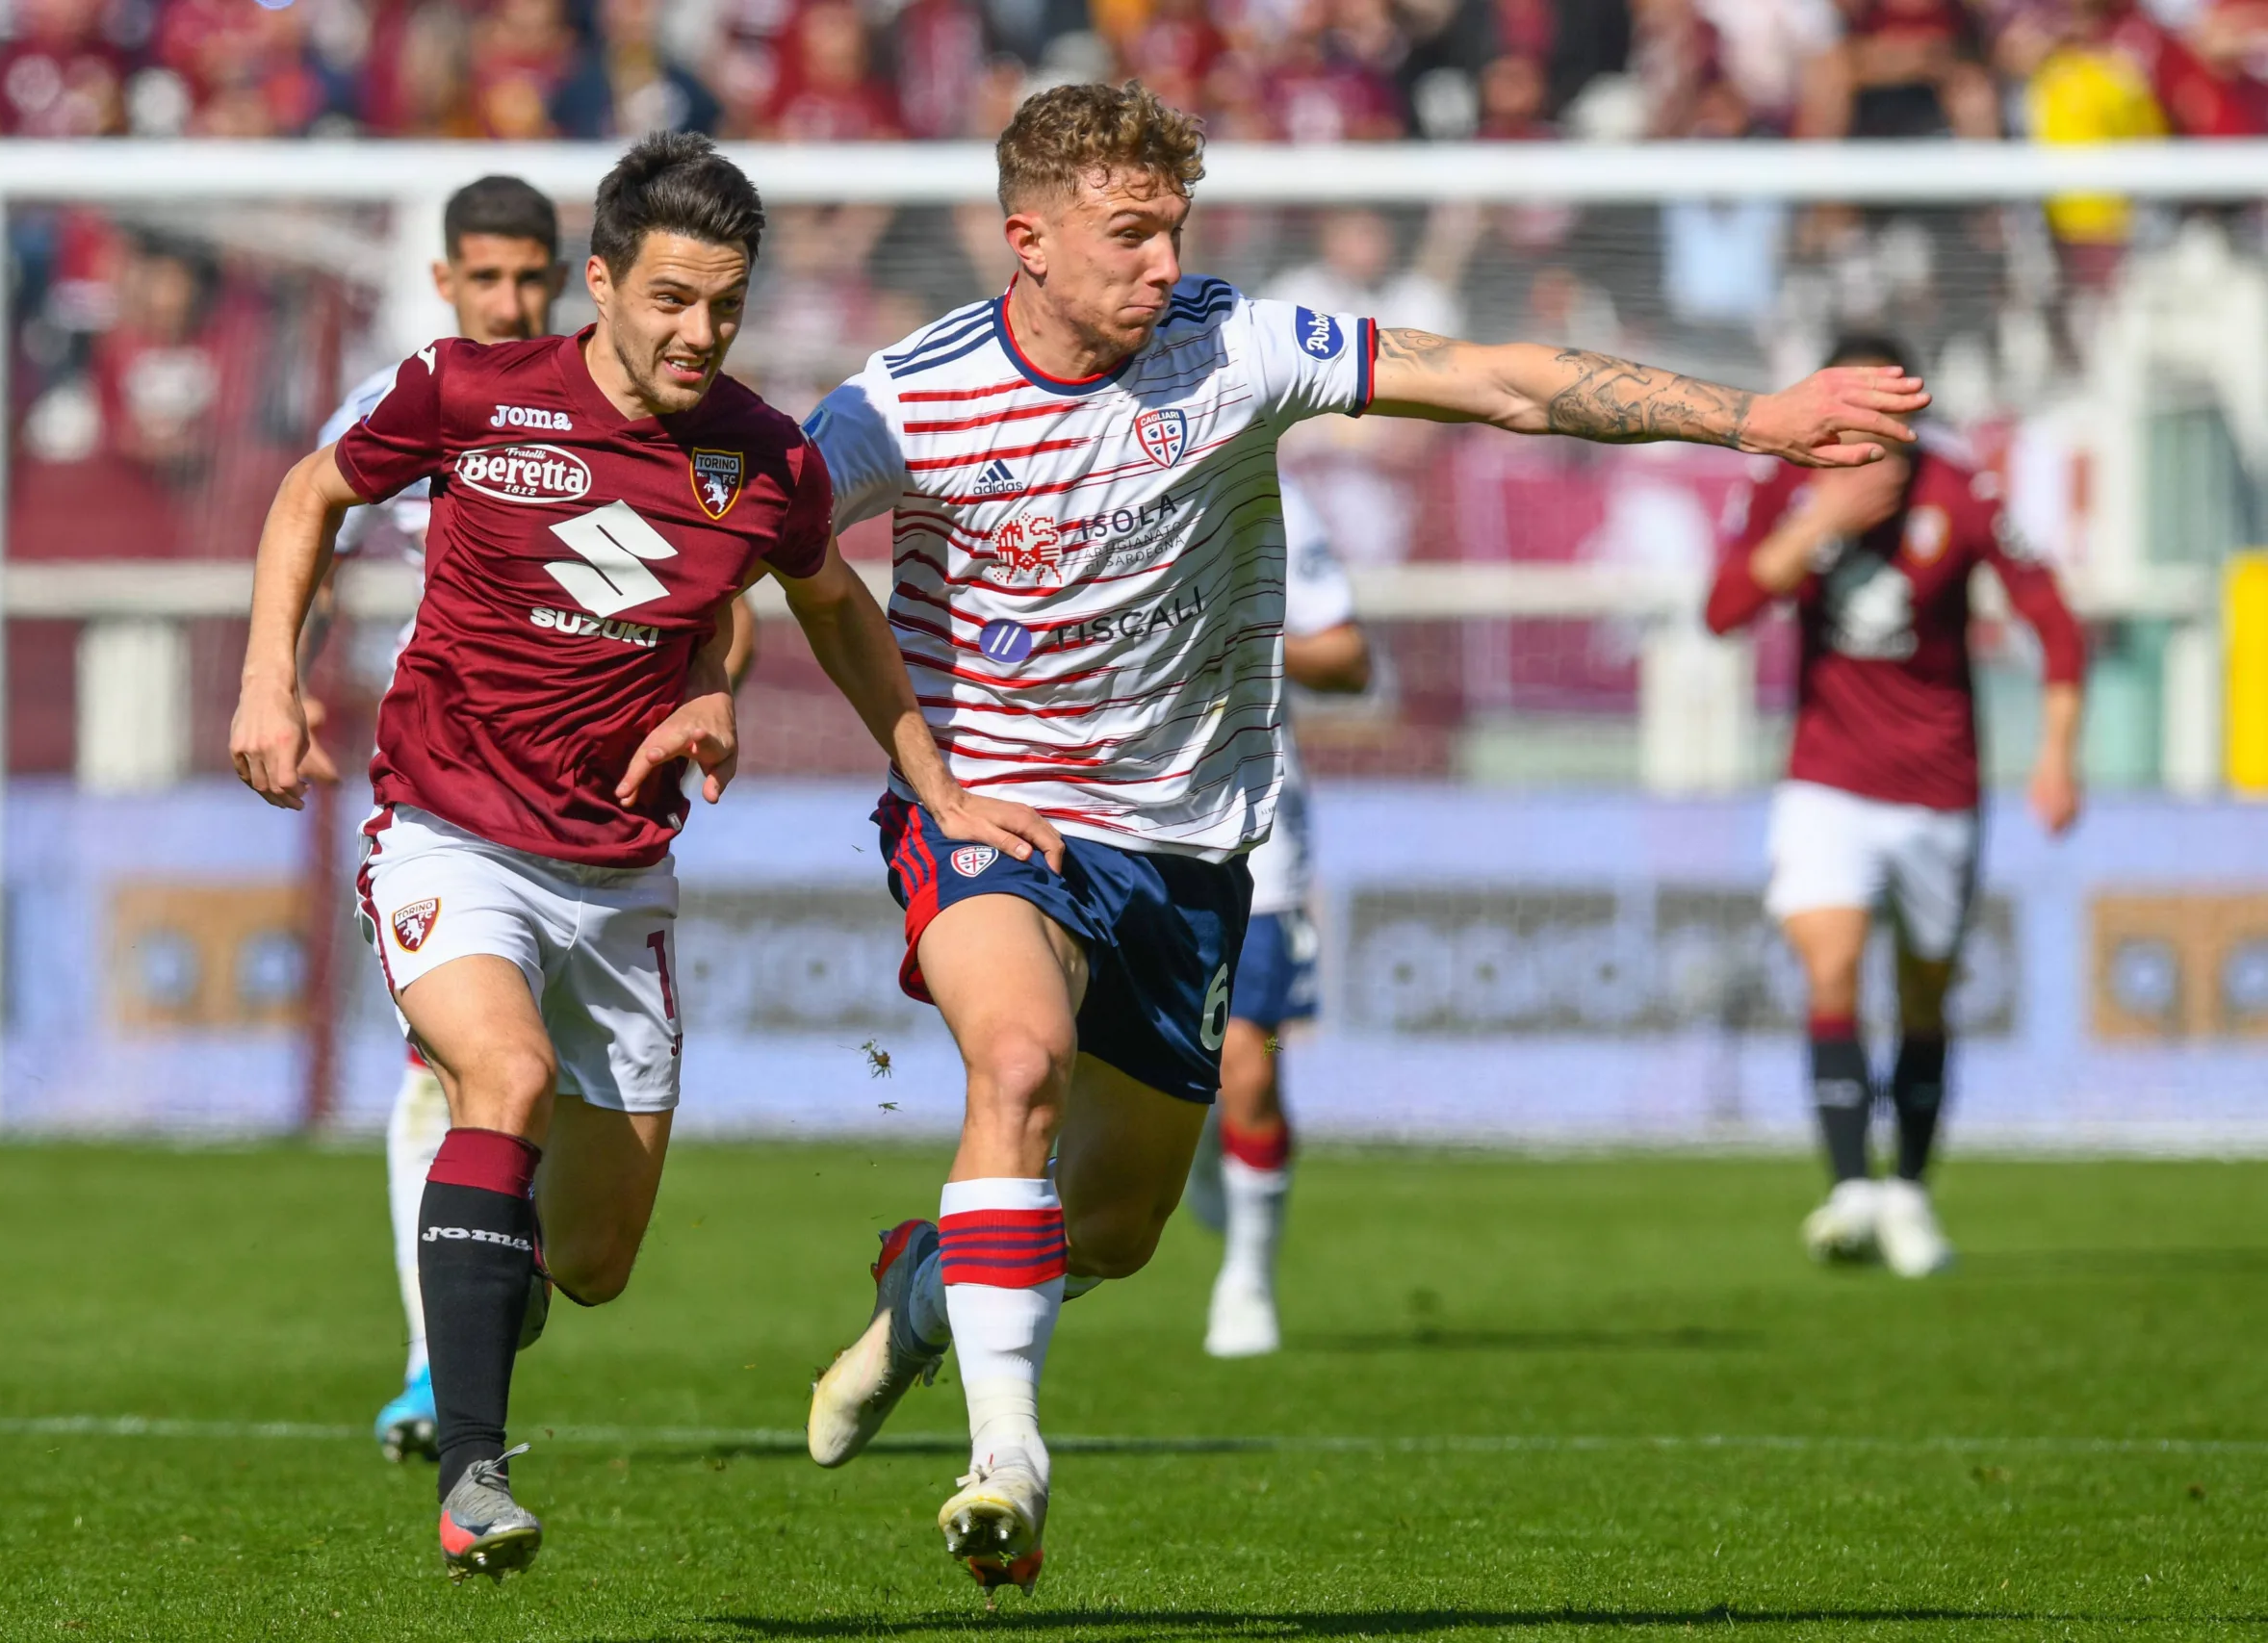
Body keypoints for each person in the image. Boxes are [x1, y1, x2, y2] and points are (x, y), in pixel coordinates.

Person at [797, 79, 1929, 1594]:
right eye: (1130, 234)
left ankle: (931, 1286)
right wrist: (798, 734)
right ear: (1031, 241)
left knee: (1119, 1228)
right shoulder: (903, 398)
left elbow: (1507, 382)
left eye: (1174, 229)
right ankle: (1009, 1456)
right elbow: (770, 544)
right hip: (996, 816)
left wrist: (1758, 421)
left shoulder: (1238, 346)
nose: (1162, 261)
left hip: (1191, 844)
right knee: (1015, 1063)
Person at [228, 132, 1046, 1581]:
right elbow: (312, 493)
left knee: (594, 1261)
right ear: (598, 281)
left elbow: (832, 608)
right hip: (445, 824)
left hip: (617, 870)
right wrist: (266, 679)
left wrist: (932, 776)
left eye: (724, 305)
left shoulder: (763, 455)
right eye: (669, 298)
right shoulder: (466, 393)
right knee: (505, 1074)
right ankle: (472, 1467)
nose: (696, 333)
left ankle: (494, 1271)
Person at [1706, 333, 2084, 1279]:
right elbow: (1721, 610)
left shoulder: (1965, 492)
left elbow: (2055, 623)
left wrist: (2056, 757)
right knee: (1830, 964)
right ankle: (1849, 1188)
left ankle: (1907, 1189)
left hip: (1938, 786)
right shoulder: (1785, 485)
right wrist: (1818, 525)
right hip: (1825, 777)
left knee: (1923, 993)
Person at [298, 174, 561, 1467]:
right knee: (448, 1062)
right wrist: (286, 682)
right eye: (490, 278)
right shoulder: (396, 405)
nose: (513, 302)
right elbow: (312, 533)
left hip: (586, 781)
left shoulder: (603, 398)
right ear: (446, 281)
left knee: (554, 1098)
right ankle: (429, 1352)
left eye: (533, 277)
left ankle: (503, 1258)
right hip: (442, 778)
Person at [1182, 480, 1369, 1359]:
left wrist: (1236, 637)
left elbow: (1348, 659)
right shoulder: (1079, 474)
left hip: (1253, 835)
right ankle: (1194, 1134)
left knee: (1248, 1067)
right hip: (1108, 818)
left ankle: (1248, 1278)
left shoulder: (1275, 496)